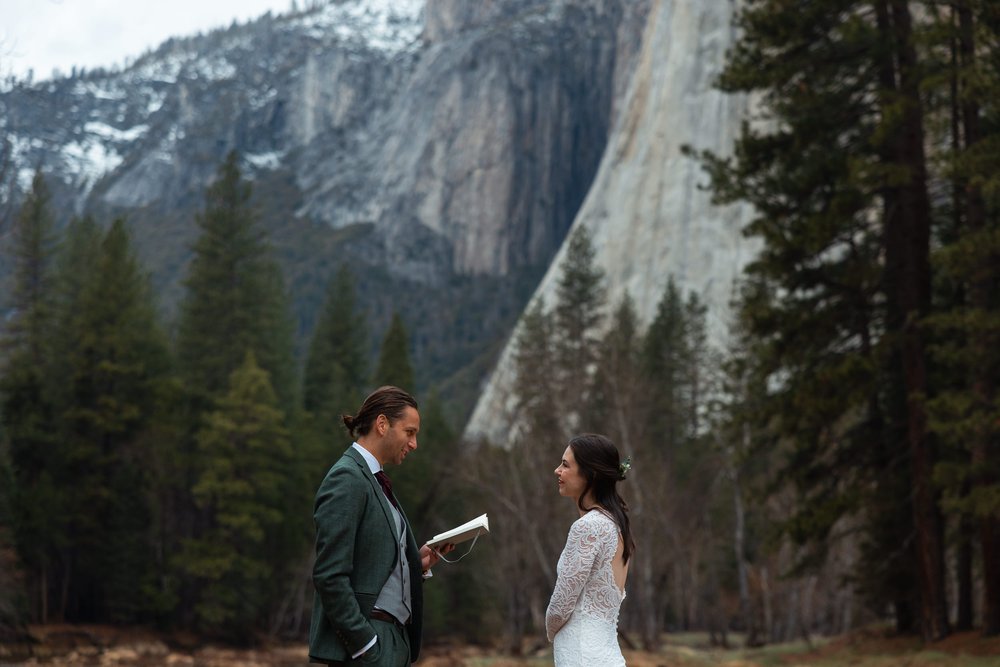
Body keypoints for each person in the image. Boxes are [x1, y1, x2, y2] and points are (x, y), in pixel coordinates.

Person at [309, 385, 453, 666]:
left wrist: (415, 563)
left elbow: (370, 560)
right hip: (369, 645)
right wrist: (365, 644)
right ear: (382, 424)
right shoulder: (347, 478)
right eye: (409, 432)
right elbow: (329, 576)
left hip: (394, 642)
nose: (414, 444)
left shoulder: (375, 480)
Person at [545, 433, 635, 666]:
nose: (557, 471)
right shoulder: (617, 525)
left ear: (590, 474)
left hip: (582, 655)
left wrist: (552, 631)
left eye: (565, 465)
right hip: (607, 655)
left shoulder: (588, 527)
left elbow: (560, 605)